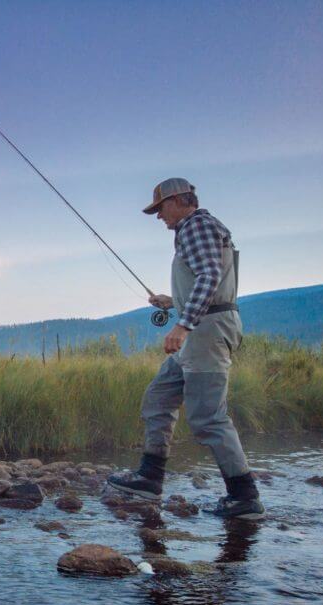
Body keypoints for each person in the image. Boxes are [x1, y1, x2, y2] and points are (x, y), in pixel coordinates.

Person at [107, 179, 264, 518]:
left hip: (205, 334)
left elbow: (209, 276)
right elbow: (208, 281)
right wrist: (172, 300)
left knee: (209, 417)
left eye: (160, 208)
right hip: (200, 332)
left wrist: (182, 324)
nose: (158, 216)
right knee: (158, 399)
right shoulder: (197, 228)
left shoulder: (196, 225)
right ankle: (149, 479)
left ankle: (244, 496)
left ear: (179, 200)